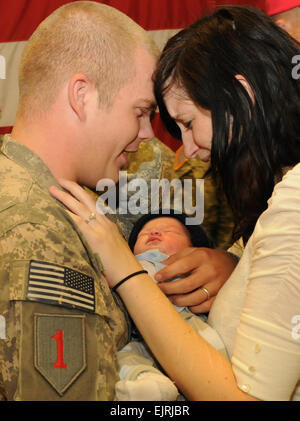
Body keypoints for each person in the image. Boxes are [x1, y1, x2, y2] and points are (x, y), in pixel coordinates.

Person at [51, 6, 300, 401]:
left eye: (187, 123)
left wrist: (125, 269)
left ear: (243, 95)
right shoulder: (280, 190)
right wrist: (234, 265)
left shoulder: (294, 201)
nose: (189, 149)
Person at [0, 1, 159, 401]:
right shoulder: (37, 233)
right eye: (141, 112)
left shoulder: (46, 194)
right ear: (82, 95)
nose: (148, 135)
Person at [116, 211, 227, 401]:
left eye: (170, 231)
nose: (154, 233)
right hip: (140, 337)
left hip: (188, 325)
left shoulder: (195, 268)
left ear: (194, 248)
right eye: (144, 233)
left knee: (211, 350)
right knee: (124, 359)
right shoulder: (130, 265)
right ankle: (148, 386)